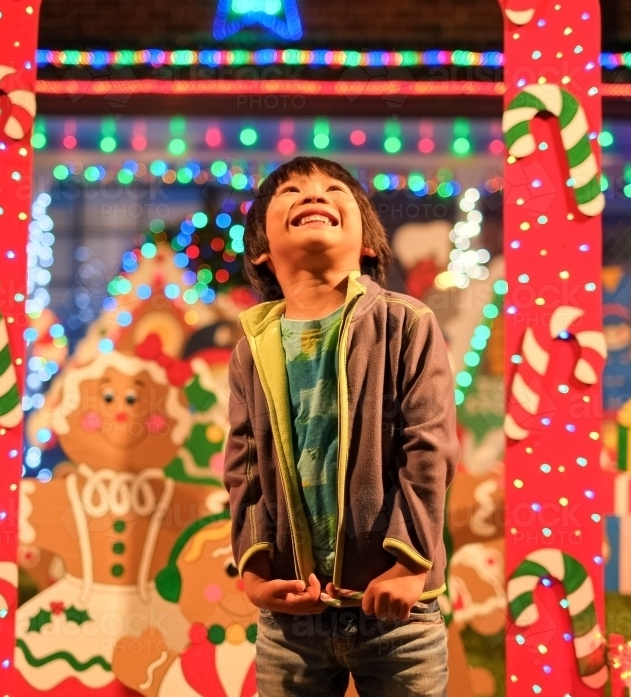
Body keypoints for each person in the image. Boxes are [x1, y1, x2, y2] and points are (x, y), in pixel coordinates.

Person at [223, 156, 458, 697]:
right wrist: (253, 568)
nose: (313, 194)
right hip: (292, 619)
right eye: (290, 191)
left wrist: (408, 563)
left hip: (398, 609)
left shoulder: (406, 323)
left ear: (368, 243)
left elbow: (428, 448)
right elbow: (244, 468)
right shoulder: (249, 351)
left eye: (334, 190)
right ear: (261, 249)